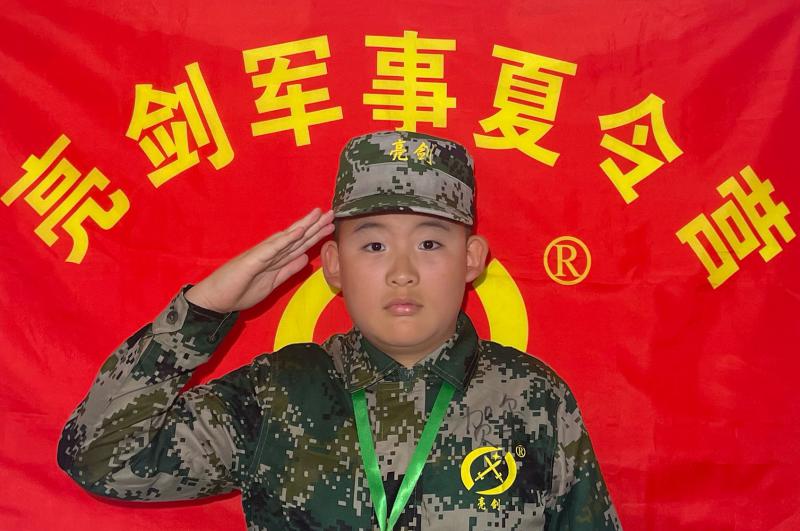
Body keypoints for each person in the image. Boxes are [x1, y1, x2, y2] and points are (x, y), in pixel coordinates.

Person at [57, 130, 622, 530]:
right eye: (373, 245)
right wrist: (203, 311)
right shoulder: (279, 391)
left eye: (430, 243)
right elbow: (102, 461)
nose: (402, 271)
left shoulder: (532, 396)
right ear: (333, 265)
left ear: (472, 259)